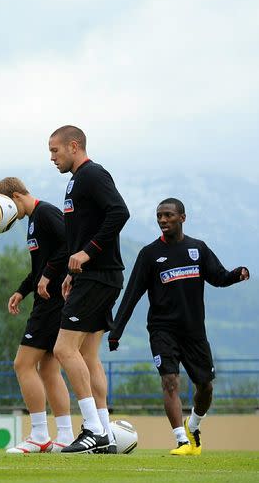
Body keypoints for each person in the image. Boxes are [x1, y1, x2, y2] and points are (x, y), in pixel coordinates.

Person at [109, 198, 249, 455]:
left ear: (182, 218)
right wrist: (116, 332)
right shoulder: (149, 254)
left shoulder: (198, 249)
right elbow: (132, 294)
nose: (163, 220)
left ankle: (193, 425)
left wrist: (236, 274)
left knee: (205, 387)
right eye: (159, 216)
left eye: (168, 215)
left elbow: (218, 277)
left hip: (194, 332)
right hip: (162, 330)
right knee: (170, 381)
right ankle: (181, 441)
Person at [48, 125, 130, 454]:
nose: (52, 157)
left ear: (74, 145)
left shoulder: (93, 174)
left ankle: (92, 429)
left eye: (55, 150)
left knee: (63, 350)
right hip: (92, 276)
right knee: (87, 355)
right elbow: (82, 230)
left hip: (100, 275)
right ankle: (107, 434)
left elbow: (119, 212)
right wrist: (72, 269)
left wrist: (89, 252)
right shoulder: (75, 181)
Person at [0, 178, 74, 454]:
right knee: (49, 369)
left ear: (16, 197)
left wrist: (49, 276)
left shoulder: (46, 213)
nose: (8, 216)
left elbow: (68, 245)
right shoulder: (32, 221)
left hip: (51, 301)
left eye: (7, 208)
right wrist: (22, 290)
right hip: (48, 298)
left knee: (22, 364)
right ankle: (64, 435)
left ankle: (39, 434)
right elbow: (39, 266)